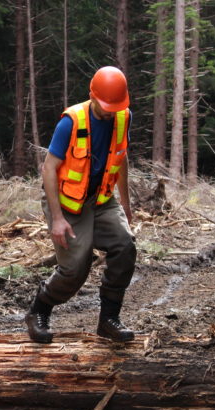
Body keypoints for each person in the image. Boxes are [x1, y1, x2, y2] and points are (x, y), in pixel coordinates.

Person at [25, 66, 137, 344]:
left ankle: (109, 320)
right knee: (76, 267)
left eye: (115, 106)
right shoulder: (71, 121)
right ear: (92, 96)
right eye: (105, 106)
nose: (110, 112)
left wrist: (125, 200)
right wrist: (57, 218)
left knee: (125, 246)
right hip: (68, 204)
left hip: (101, 198)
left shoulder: (123, 118)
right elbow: (49, 169)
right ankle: (39, 310)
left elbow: (121, 158)